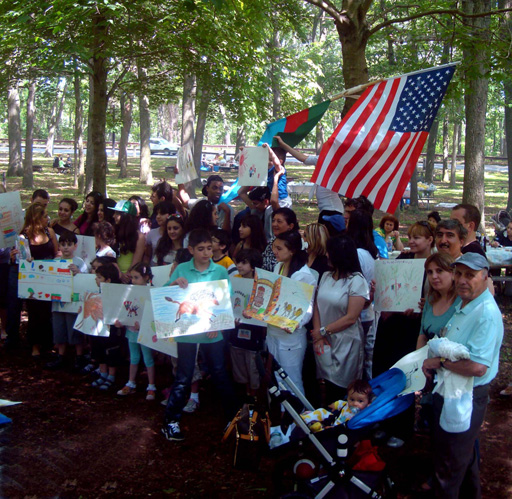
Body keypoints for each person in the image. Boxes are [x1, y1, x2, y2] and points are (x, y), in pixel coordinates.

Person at [422, 252, 503, 498]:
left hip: (466, 394)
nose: (462, 280)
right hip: (452, 390)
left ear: (485, 277)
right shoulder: (464, 303)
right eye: (458, 274)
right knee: (463, 458)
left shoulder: (486, 313)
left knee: (449, 466)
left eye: (470, 275)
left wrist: (439, 362)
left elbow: (478, 366)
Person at [161, 229, 237, 442]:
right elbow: (165, 292)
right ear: (191, 250)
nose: (206, 253)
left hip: (212, 331)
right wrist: (175, 284)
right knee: (184, 375)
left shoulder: (219, 272)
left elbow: (225, 299)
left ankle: (233, 419)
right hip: (187, 332)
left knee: (220, 372)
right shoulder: (183, 269)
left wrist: (218, 323)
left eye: (209, 249)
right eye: (201, 249)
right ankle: (171, 421)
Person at [311, 235, 370, 402]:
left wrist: (324, 331)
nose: (327, 256)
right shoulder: (326, 277)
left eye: (330, 252)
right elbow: (316, 304)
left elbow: (351, 317)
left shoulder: (356, 281)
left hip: (346, 343)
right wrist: (318, 333)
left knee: (342, 389)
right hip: (323, 340)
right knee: (326, 385)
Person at [266, 231, 317, 395]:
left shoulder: (303, 275)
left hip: (290, 335)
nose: (275, 252)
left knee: (292, 379)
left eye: (279, 249)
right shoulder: (278, 267)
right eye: (274, 247)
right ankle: (284, 415)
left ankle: (297, 417)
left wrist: (296, 323)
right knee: (278, 376)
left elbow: (308, 309)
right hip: (273, 331)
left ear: (292, 250)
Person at [16, 203, 59, 357]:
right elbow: (20, 259)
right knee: (34, 312)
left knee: (48, 311)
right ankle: (34, 345)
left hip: (50, 277)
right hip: (33, 280)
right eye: (44, 216)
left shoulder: (50, 232)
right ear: (36, 218)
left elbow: (56, 252)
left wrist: (59, 257)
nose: (47, 219)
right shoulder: (24, 236)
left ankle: (48, 342)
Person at [273, 134, 344, 215]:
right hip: (326, 209)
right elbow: (303, 158)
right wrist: (284, 145)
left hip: (333, 211)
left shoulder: (336, 161)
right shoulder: (323, 159)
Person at [115, 263, 156, 401]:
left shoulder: (151, 292)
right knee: (133, 357)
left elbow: (153, 314)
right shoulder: (129, 291)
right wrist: (120, 321)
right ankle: (130, 382)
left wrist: (145, 325)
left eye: (136, 277)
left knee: (148, 358)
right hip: (131, 330)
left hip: (145, 332)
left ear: (146, 277)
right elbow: (123, 309)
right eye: (132, 277)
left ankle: (151, 386)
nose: (133, 280)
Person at [47, 231, 88, 370]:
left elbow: (86, 281)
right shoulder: (55, 262)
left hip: (74, 304)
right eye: (63, 244)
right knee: (59, 329)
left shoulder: (79, 262)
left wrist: (78, 272)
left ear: (75, 246)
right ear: (59, 246)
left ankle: (79, 357)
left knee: (74, 330)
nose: (65, 247)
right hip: (58, 303)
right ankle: (61, 356)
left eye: (69, 244)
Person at [229, 249, 266, 399]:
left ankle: (255, 396)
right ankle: (246, 395)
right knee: (239, 365)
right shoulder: (233, 282)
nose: (239, 266)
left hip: (254, 334)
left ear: (253, 266)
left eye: (244, 262)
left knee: (253, 367)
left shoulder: (260, 284)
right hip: (236, 332)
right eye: (238, 262)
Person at [90, 263, 123, 390]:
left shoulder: (118, 293)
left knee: (111, 350)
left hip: (112, 329)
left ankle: (111, 376)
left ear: (108, 280)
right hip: (98, 327)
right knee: (98, 348)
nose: (96, 279)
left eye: (99, 277)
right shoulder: (97, 293)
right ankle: (103, 373)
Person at [417, 253, 461, 348]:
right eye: (430, 272)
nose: (434, 276)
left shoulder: (462, 301)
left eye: (439, 271)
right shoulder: (430, 299)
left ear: (453, 274)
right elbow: (422, 336)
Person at [109, 200, 146, 283]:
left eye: (117, 213)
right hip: (113, 274)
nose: (113, 216)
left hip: (130, 278)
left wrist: (126, 275)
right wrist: (119, 273)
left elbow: (136, 261)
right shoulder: (113, 233)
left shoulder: (139, 237)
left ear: (126, 216)